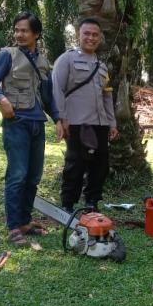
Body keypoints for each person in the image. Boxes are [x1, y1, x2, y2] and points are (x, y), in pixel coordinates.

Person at [0, 12, 60, 248]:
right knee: (17, 175)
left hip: (37, 123)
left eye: (25, 30)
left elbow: (47, 95)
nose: (19, 34)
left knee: (33, 176)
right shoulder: (7, 55)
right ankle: (13, 227)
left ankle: (25, 221)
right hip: (17, 122)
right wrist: (2, 100)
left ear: (36, 34)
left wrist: (58, 119)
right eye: (17, 30)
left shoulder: (42, 60)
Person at [51, 18, 118, 212]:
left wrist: (111, 123)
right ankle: (67, 205)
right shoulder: (67, 59)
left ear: (100, 38)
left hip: (100, 124)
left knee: (100, 165)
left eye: (95, 34)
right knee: (75, 165)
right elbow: (57, 90)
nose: (91, 38)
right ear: (78, 35)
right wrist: (61, 119)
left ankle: (92, 202)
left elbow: (107, 96)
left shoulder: (102, 66)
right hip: (76, 122)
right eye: (86, 33)